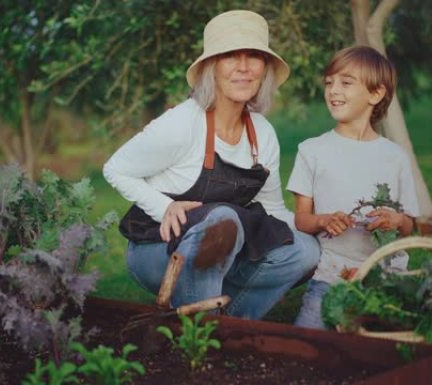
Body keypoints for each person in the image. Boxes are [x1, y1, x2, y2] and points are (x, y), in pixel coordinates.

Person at [103, 10, 320, 320]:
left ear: (265, 69)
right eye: (231, 56)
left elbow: (271, 211)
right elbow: (115, 168)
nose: (244, 68)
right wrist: (164, 207)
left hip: (224, 250)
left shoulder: (263, 134)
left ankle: (232, 326)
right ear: (211, 68)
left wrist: (317, 229)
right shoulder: (182, 123)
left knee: (305, 250)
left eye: (254, 57)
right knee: (222, 220)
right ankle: (200, 331)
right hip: (158, 251)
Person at [286, 45, 419, 329]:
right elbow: (301, 219)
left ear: (376, 93)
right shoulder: (311, 151)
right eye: (329, 83)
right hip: (332, 276)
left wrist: (395, 220)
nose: (333, 91)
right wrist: (323, 219)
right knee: (308, 344)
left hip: (387, 276)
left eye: (346, 83)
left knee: (393, 348)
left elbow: (409, 226)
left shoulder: (395, 157)